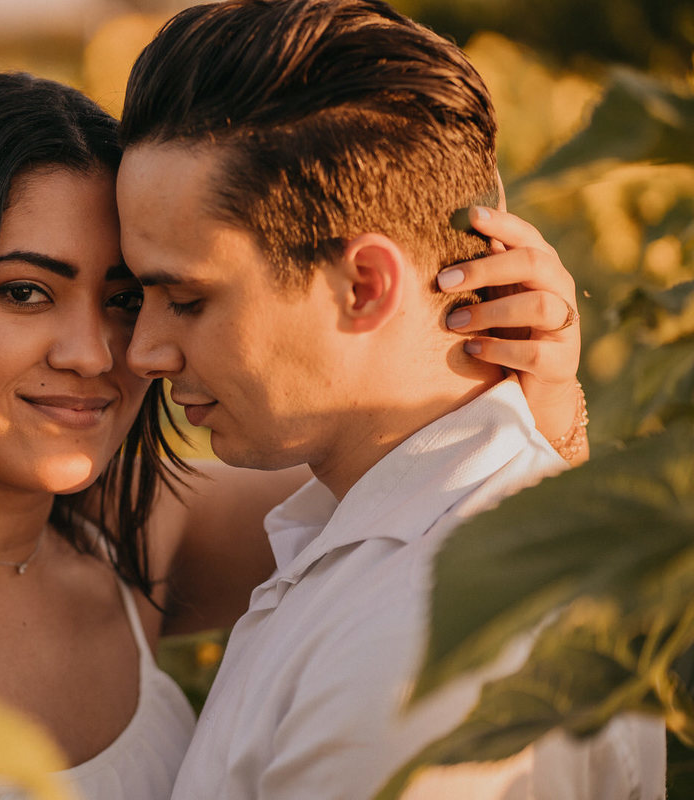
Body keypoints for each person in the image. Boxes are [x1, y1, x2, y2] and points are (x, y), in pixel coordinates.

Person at [0, 71, 589, 800]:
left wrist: (529, 379)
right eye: (24, 292)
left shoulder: (130, 531)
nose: (99, 353)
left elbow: (446, 502)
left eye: (131, 298)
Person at [115, 1, 665, 798]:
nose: (143, 352)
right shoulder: (399, 534)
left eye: (188, 299)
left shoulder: (410, 659)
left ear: (365, 286)